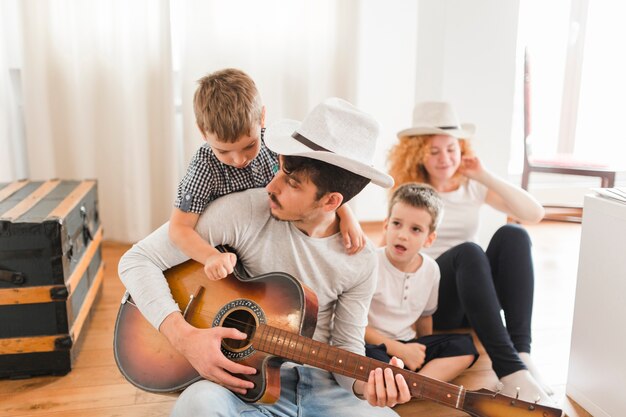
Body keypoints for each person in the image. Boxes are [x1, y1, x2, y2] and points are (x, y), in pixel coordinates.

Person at [119, 97, 411, 416]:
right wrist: (185, 337)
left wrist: (365, 385)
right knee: (197, 405)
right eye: (279, 168)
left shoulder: (362, 259)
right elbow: (137, 260)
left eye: (292, 183)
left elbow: (346, 348)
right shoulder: (245, 210)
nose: (271, 186)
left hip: (324, 386)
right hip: (243, 383)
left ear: (331, 202)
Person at [387, 101, 552, 404]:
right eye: (433, 151)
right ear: (416, 153)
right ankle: (510, 369)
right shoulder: (412, 192)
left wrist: (484, 175)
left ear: (462, 148)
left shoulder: (472, 186)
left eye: (451, 148)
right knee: (469, 252)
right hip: (437, 298)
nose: (444, 158)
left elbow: (534, 213)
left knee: (513, 234)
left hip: (476, 294)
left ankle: (523, 353)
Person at [169, 69, 365, 281]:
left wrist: (346, 215)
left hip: (271, 242)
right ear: (202, 132)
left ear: (262, 118)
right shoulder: (204, 166)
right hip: (229, 256)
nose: (238, 160)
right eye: (223, 151)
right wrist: (210, 257)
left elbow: (322, 180)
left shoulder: (276, 144)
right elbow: (179, 228)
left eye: (249, 145)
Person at [365, 183, 478, 382]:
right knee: (368, 359)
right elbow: (356, 325)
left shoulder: (431, 269)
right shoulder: (369, 263)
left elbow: (425, 317)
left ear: (429, 239)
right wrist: (399, 350)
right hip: (374, 345)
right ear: (386, 225)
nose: (402, 235)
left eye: (415, 229)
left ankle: (411, 384)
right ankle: (402, 383)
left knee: (465, 347)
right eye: (397, 224)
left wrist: (421, 348)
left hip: (408, 342)